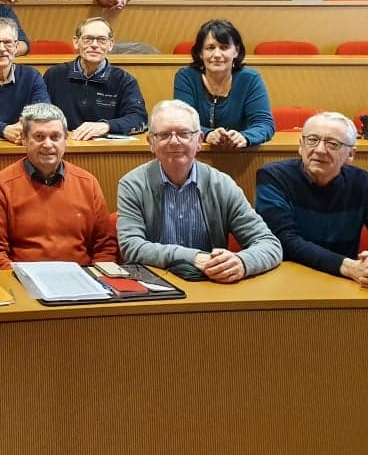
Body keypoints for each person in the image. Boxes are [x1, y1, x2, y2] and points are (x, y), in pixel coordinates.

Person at [116, 99, 282, 281]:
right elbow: (131, 246)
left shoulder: (222, 185)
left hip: (211, 284)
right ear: (151, 143)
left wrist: (242, 262)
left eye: (184, 134)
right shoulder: (133, 185)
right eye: (164, 135)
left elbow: (269, 244)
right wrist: (193, 257)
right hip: (156, 285)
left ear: (199, 140)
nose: (174, 142)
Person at [0, 103, 117, 269]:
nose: (47, 144)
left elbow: (105, 247)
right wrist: (20, 281)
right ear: (24, 139)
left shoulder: (88, 183)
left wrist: (97, 278)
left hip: (81, 277)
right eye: (39, 137)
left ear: (65, 139)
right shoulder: (2, 185)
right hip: (22, 279)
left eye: (55, 137)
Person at [255, 112, 368, 284]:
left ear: (350, 154)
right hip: (285, 278)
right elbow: (283, 239)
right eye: (312, 140)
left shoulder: (362, 182)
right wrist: (348, 266)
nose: (320, 150)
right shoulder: (273, 177)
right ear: (301, 146)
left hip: (342, 282)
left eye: (333, 144)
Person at [173, 19, 274, 148]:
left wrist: (245, 137)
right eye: (210, 48)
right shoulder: (187, 77)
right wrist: (207, 134)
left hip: (241, 155)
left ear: (236, 51)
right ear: (200, 53)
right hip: (196, 154)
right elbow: (182, 122)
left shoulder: (250, 79)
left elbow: (264, 124)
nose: (217, 54)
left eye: (224, 47)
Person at [43, 17, 147, 140]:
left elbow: (139, 118)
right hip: (63, 144)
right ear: (76, 42)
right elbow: (38, 115)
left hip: (105, 148)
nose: (94, 45)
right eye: (88, 39)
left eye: (102, 40)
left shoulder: (124, 80)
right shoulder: (54, 75)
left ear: (111, 44)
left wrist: (106, 126)